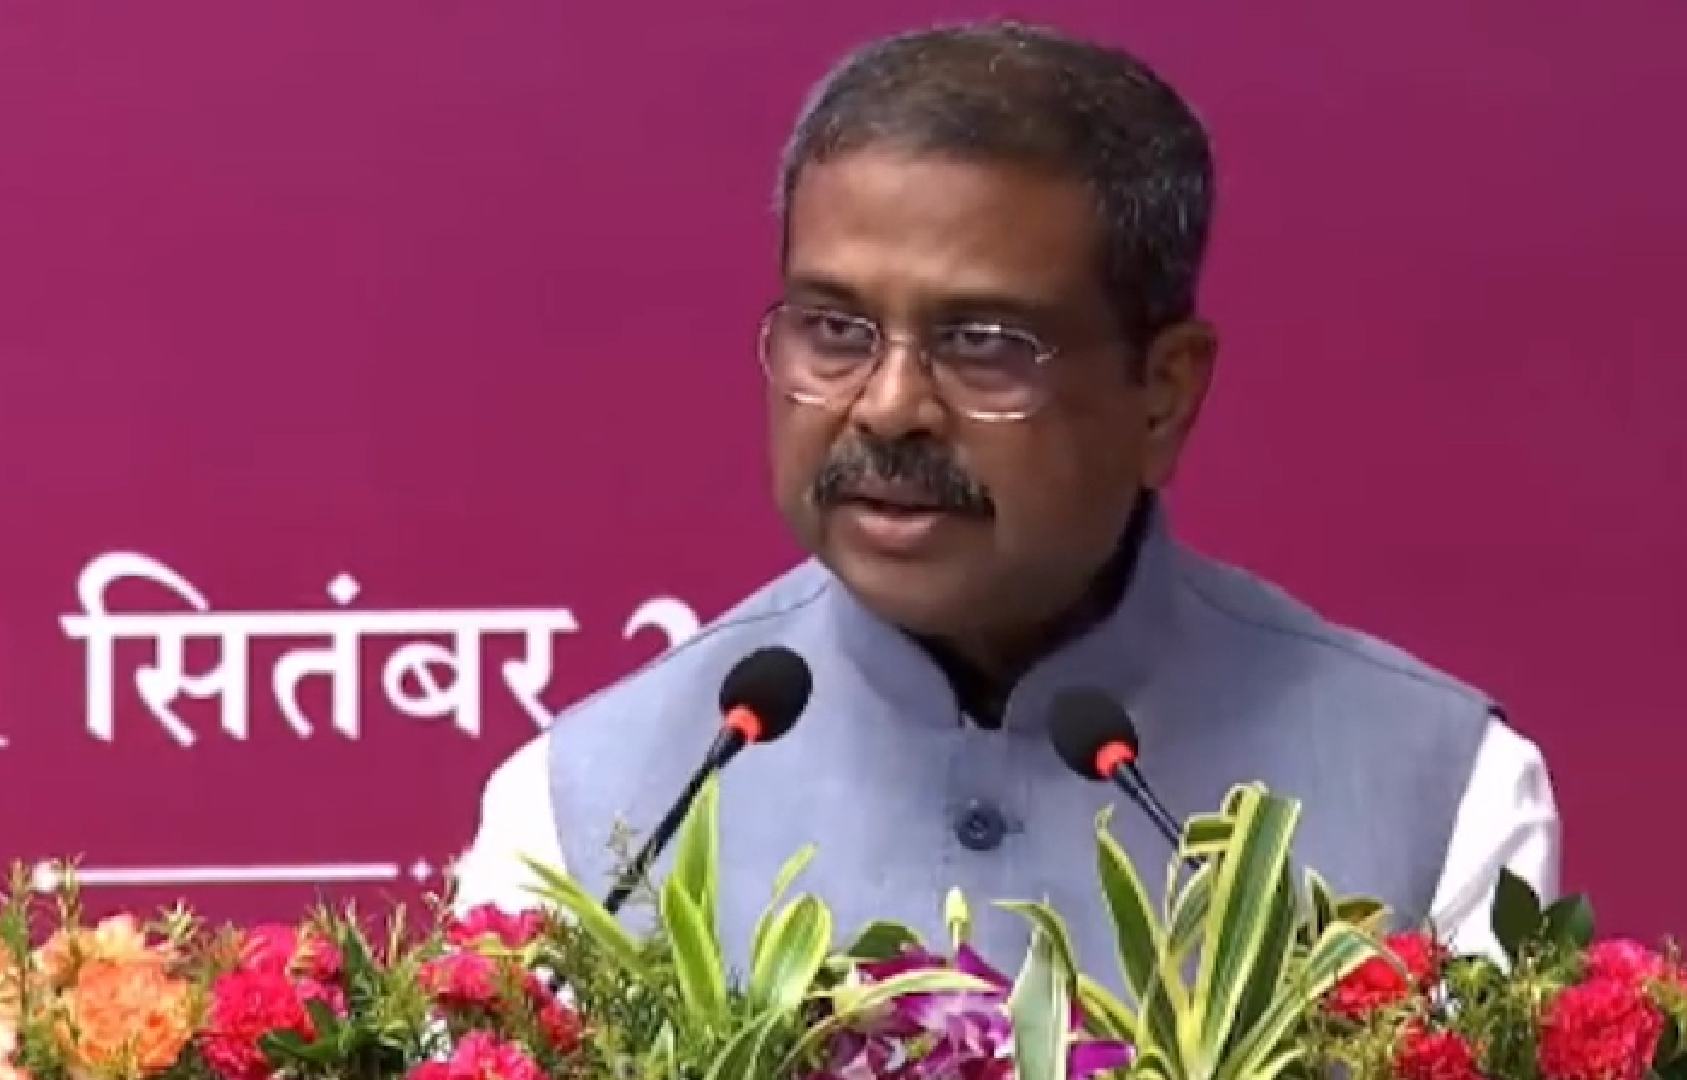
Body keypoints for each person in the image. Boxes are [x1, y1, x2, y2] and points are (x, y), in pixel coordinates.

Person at [454, 20, 1558, 980]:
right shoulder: (587, 822)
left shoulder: (1441, 796)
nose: (889, 407)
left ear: (1164, 394)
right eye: (834, 330)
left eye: (984, 343)